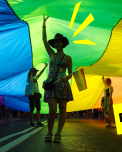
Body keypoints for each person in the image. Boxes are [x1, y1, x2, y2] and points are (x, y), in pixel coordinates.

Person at [42, 15, 73, 143]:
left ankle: (58, 134)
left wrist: (66, 78)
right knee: (52, 110)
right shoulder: (51, 54)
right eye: (55, 42)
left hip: (63, 85)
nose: (57, 43)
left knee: (63, 110)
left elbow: (70, 73)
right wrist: (43, 24)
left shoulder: (68, 58)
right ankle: (49, 132)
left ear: (63, 43)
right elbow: (44, 39)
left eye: (59, 42)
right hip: (51, 84)